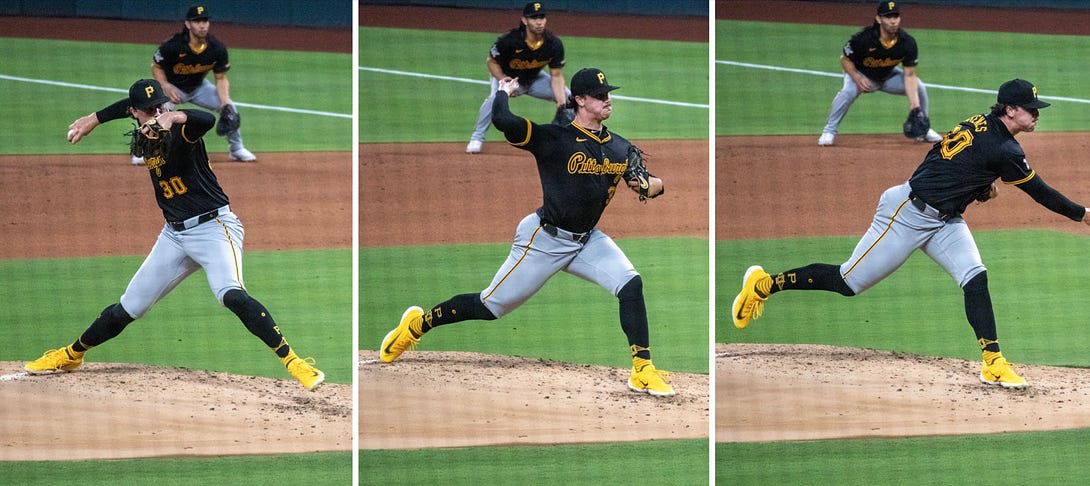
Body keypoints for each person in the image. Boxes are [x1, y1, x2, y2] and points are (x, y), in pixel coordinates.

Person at [736, 79, 1090, 389]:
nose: (1036, 114)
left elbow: (943, 156)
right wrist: (1081, 214)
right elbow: (1039, 191)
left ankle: (992, 361)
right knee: (848, 282)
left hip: (944, 220)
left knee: (975, 277)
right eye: (1030, 108)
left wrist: (977, 188)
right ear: (1010, 110)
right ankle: (764, 284)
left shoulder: (982, 123)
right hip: (906, 214)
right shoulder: (1006, 148)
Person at [381, 68, 676, 397]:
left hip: (588, 241)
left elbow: (649, 186)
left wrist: (652, 187)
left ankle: (642, 370)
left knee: (631, 284)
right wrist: (503, 93)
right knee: (490, 306)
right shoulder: (554, 139)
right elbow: (505, 122)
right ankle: (417, 326)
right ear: (579, 100)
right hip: (544, 239)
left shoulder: (621, 148)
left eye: (608, 94)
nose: (607, 100)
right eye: (599, 95)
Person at [25, 79, 324, 391]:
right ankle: (72, 355)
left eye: (160, 106)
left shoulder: (183, 128)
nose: (156, 113)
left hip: (214, 229)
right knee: (129, 307)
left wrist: (174, 116)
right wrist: (93, 119)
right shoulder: (144, 127)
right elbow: (123, 107)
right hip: (173, 236)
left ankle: (294, 361)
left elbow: (207, 119)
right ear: (135, 113)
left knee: (231, 294)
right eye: (149, 110)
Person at [818, 1, 941, 147]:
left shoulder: (907, 42)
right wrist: (856, 78)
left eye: (895, 16)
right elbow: (845, 60)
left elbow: (909, 75)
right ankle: (829, 131)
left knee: (919, 87)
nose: (893, 20)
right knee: (848, 92)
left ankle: (923, 130)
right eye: (888, 17)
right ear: (878, 19)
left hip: (887, 77)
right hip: (862, 75)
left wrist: (914, 105)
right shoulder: (863, 39)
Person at [146, 4, 256, 164]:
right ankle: (149, 150)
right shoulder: (173, 45)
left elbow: (221, 78)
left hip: (199, 87)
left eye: (205, 20)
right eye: (197, 21)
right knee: (160, 112)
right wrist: (165, 85)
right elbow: (156, 66)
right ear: (188, 24)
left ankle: (237, 149)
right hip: (172, 87)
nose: (202, 24)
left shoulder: (216, 48)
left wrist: (225, 102)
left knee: (230, 108)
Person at [466, 1, 570, 154]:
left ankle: (567, 139)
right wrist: (503, 80)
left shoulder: (553, 43)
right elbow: (492, 61)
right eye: (534, 18)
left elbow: (556, 75)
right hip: (508, 77)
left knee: (570, 98)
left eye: (542, 17)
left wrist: (561, 102)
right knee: (495, 98)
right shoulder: (510, 41)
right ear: (524, 20)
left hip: (534, 79)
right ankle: (477, 137)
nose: (539, 21)